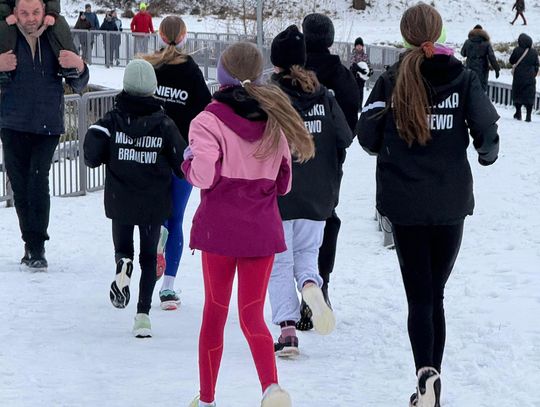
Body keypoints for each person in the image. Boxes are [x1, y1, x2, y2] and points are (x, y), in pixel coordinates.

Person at [356, 4, 499, 407]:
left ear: (404, 36)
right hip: (450, 201)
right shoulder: (463, 78)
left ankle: (425, 374)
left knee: (420, 296)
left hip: (405, 204)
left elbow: (366, 136)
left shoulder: (391, 79)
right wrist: (485, 154)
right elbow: (487, 133)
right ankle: (433, 381)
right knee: (435, 294)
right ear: (441, 32)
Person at [183, 42, 314, 407]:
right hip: (260, 232)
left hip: (219, 232)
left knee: (215, 312)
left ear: (222, 74)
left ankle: (207, 399)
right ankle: (271, 387)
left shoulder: (207, 121)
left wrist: (188, 161)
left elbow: (203, 175)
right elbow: (284, 184)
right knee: (252, 315)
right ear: (259, 75)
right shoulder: (274, 121)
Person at [83, 59, 186, 338]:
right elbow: (182, 163)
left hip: (121, 199)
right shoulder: (164, 124)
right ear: (153, 88)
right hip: (154, 203)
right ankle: (142, 315)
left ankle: (123, 264)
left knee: (124, 248)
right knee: (149, 258)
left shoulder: (112, 120)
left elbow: (91, 154)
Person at [268, 25, 353, 357]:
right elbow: (345, 137)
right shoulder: (324, 95)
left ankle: (288, 331)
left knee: (279, 263)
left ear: (276, 63)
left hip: (280, 194)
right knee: (306, 256)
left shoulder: (271, 97)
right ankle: (310, 286)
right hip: (318, 195)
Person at [0, 0, 88, 271]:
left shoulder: (54, 36)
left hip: (47, 123)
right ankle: (30, 243)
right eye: (24, 12)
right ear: (14, 12)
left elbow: (79, 82)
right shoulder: (5, 35)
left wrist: (80, 65)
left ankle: (37, 246)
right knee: (20, 185)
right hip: (12, 123)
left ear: (44, 11)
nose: (30, 18)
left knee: (38, 181)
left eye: (35, 12)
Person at [142, 15, 211, 310]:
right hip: (182, 157)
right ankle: (168, 287)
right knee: (176, 219)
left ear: (159, 35)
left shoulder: (149, 66)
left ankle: (150, 260)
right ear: (184, 37)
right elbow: (206, 110)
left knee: (152, 217)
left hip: (150, 154)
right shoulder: (191, 70)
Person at [297, 12, 359, 330]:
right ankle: (320, 284)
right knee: (325, 219)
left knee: (291, 223)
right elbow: (352, 120)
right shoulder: (342, 76)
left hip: (292, 160)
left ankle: (299, 289)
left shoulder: (291, 72)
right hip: (329, 163)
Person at [0, 0, 79, 84]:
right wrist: (7, 14)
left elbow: (53, 1)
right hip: (12, 17)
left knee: (59, 22)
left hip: (45, 17)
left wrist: (51, 13)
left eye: (35, 12)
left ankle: (69, 62)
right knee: (4, 25)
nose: (31, 19)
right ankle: (5, 66)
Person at [460, 24, 500, 92]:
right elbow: (492, 57)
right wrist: (496, 69)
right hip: (482, 70)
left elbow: (463, 53)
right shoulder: (486, 43)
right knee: (481, 89)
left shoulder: (467, 42)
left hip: (470, 68)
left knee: (470, 87)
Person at [510, 33, 539, 122]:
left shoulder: (516, 50)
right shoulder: (534, 52)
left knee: (518, 94)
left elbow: (511, 60)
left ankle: (518, 113)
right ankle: (528, 116)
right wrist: (534, 73)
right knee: (529, 95)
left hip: (518, 77)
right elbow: (537, 65)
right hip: (530, 78)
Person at [349, 36, 373, 108]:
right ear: (355, 46)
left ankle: (360, 106)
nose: (359, 47)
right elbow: (353, 65)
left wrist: (370, 71)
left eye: (360, 45)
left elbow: (368, 65)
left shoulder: (365, 55)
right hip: (354, 76)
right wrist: (360, 70)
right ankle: (354, 106)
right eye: (357, 45)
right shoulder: (353, 54)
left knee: (361, 91)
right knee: (354, 91)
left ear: (362, 46)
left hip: (362, 78)